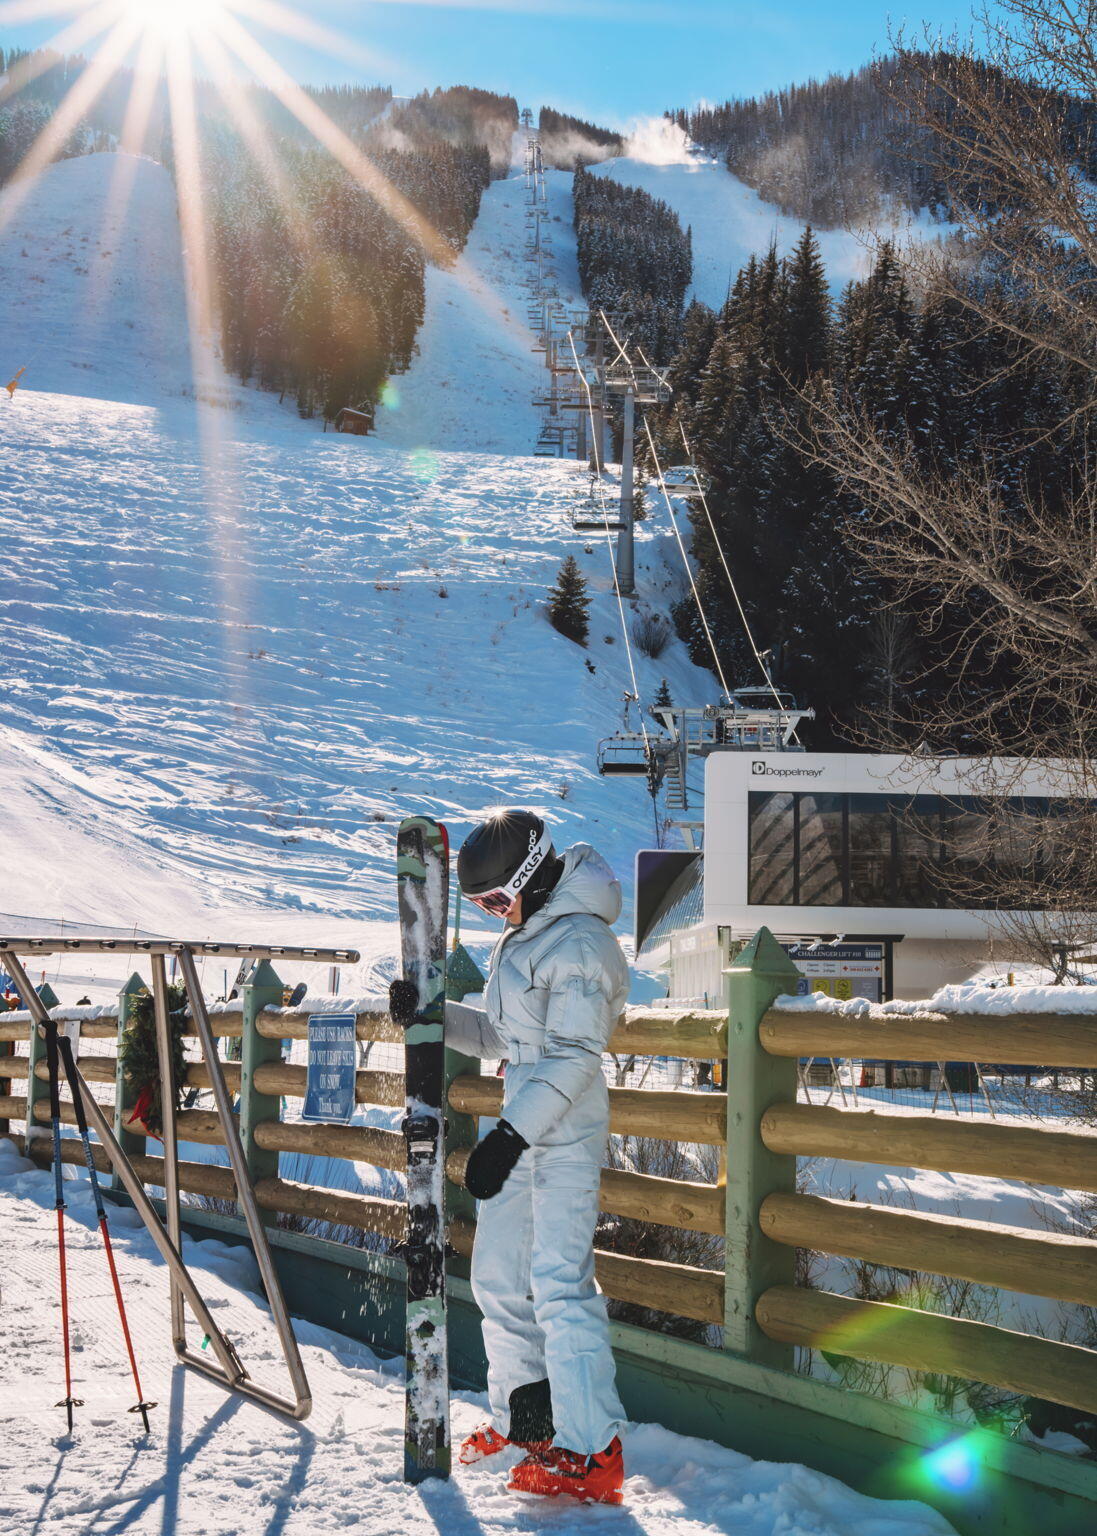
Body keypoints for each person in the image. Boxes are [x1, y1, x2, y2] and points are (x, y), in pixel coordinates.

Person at [449, 808, 630, 1505]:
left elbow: (577, 1055)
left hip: (563, 1126)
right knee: (496, 1278)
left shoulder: (579, 943)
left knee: (558, 1285)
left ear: (530, 877)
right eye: (482, 908)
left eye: (496, 900)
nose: (495, 915)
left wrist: (508, 1136)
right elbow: (503, 1037)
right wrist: (434, 1014)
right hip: (521, 1117)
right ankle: (526, 1426)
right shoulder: (527, 935)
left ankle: (593, 1450)